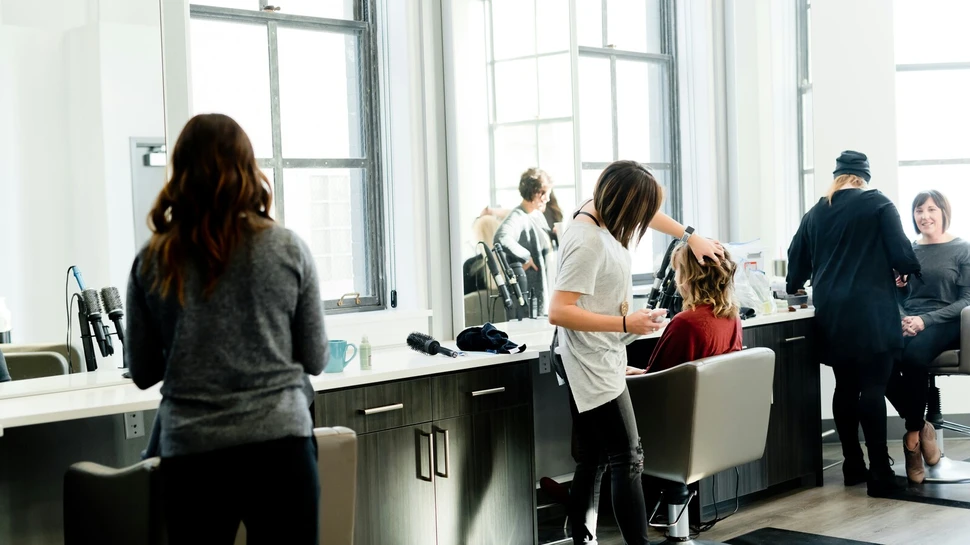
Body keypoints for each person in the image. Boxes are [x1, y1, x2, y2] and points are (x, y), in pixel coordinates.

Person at [125, 113, 326, 545]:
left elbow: (141, 371)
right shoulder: (287, 247)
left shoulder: (153, 259)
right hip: (280, 449)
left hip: (192, 453)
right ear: (248, 169)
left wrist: (194, 345)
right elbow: (316, 357)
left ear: (180, 172)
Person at [549, 160, 725, 545]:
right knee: (628, 458)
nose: (643, 222)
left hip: (600, 355)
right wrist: (626, 326)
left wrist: (688, 235)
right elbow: (559, 312)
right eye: (638, 214)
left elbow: (651, 215)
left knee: (593, 459)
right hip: (590, 361)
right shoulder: (588, 240)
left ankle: (583, 539)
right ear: (621, 205)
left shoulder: (596, 210)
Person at [787, 150, 921, 498]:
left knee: (845, 386)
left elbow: (795, 265)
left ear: (837, 177)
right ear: (863, 177)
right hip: (872, 310)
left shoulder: (816, 212)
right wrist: (905, 272)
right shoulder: (877, 204)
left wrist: (795, 284)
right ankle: (880, 473)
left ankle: (852, 465)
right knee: (874, 387)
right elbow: (904, 256)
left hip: (832, 312)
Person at [884, 190, 970, 482]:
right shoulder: (908, 250)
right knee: (879, 361)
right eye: (919, 211)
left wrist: (926, 320)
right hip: (911, 321)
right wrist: (902, 314)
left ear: (944, 213)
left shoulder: (962, 249)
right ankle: (922, 429)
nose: (925, 216)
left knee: (914, 357)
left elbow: (966, 300)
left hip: (948, 321)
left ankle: (911, 440)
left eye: (932, 210)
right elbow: (896, 295)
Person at [628, 243, 742, 376]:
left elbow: (659, 380)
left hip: (679, 395)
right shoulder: (733, 317)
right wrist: (643, 373)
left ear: (688, 277)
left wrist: (638, 376)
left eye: (677, 270)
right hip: (713, 395)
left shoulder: (685, 322)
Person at [494, 168, 556, 317]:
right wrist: (526, 256)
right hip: (532, 287)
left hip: (546, 284)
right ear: (536, 193)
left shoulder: (536, 214)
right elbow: (501, 237)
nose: (547, 199)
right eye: (546, 193)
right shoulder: (518, 217)